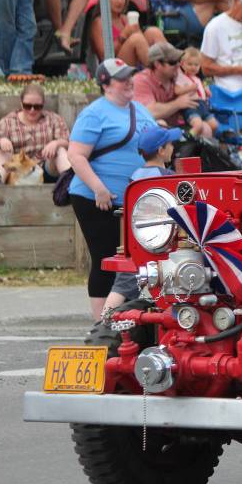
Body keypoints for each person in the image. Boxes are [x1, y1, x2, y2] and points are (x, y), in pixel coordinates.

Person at [68, 58, 156, 319]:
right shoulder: (95, 113)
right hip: (96, 198)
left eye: (130, 75)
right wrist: (99, 189)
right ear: (105, 84)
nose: (129, 81)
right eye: (122, 78)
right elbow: (76, 156)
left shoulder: (139, 109)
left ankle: (126, 319)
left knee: (134, 261)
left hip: (132, 201)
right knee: (106, 259)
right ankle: (100, 323)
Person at [99, 125, 182, 316]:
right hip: (158, 244)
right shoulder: (167, 178)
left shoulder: (135, 177)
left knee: (122, 286)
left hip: (134, 241)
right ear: (161, 151)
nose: (173, 148)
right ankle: (105, 321)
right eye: (170, 144)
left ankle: (105, 320)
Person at [0, 83, 70, 185]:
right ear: (21, 103)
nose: (32, 110)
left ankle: (70, 183)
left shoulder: (54, 119)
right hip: (16, 172)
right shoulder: (8, 121)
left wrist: (56, 143)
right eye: (27, 106)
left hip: (45, 169)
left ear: (43, 104)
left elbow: (68, 141)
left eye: (37, 107)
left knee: (60, 150)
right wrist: (1, 141)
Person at [89, 0, 168, 67]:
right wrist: (124, 35)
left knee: (153, 32)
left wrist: (137, 31)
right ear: (106, 0)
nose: (120, 1)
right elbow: (104, 54)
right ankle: (160, 70)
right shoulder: (99, 22)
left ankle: (171, 62)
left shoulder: (125, 18)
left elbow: (142, 43)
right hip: (112, 65)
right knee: (136, 39)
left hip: (131, 59)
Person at [133, 42, 198, 128]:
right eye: (172, 62)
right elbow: (149, 112)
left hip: (176, 127)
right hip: (146, 132)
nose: (178, 65)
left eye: (178, 60)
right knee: (160, 124)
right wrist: (178, 104)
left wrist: (202, 90)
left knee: (205, 128)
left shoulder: (175, 75)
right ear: (157, 64)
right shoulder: (141, 80)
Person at [178, 47, 218, 138]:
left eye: (196, 65)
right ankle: (187, 138)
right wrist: (188, 88)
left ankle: (209, 142)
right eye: (190, 64)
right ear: (182, 64)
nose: (193, 67)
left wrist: (205, 90)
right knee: (198, 125)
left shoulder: (198, 79)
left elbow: (201, 88)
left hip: (202, 106)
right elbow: (176, 90)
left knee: (214, 124)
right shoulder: (181, 78)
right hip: (192, 106)